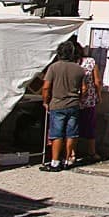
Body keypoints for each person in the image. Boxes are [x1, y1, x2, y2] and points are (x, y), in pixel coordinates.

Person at [41, 40, 87, 172]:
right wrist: (79, 100)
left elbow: (46, 87)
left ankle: (55, 162)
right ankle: (68, 159)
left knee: (57, 134)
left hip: (57, 103)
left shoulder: (53, 68)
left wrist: (45, 101)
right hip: (73, 104)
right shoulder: (79, 70)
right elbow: (84, 89)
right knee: (71, 133)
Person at [77, 43, 102, 164]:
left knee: (73, 127)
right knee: (90, 126)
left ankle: (71, 153)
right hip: (89, 100)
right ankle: (91, 152)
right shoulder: (91, 62)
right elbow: (97, 81)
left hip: (74, 100)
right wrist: (99, 95)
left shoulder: (72, 63)